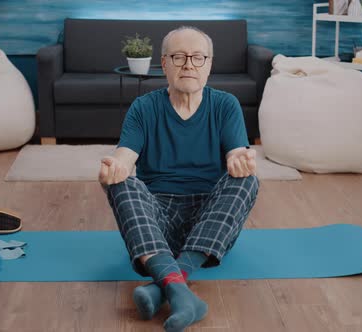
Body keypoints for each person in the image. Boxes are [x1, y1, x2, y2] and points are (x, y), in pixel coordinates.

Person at [98, 26, 259, 331]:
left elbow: (236, 152)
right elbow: (125, 156)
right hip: (157, 220)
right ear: (165, 63)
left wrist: (240, 161)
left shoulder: (225, 105)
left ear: (209, 64)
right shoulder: (143, 108)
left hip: (211, 221)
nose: (188, 64)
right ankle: (183, 293)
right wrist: (113, 169)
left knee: (248, 180)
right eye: (179, 57)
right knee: (123, 183)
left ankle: (165, 287)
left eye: (198, 57)